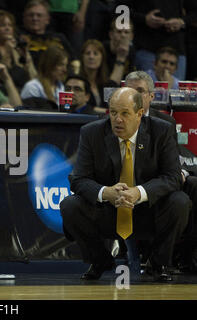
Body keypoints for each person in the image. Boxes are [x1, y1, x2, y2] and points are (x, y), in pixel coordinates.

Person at [60, 87, 190, 282]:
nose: (118, 119)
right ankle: (100, 260)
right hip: (110, 210)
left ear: (139, 114)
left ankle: (158, 263)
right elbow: (78, 179)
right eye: (113, 113)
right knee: (69, 205)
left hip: (148, 209)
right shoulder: (91, 133)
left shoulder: (161, 131)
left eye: (124, 113)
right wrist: (106, 193)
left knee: (180, 201)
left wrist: (139, 192)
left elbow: (172, 176)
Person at [125, 70, 197, 272]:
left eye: (139, 91)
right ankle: (154, 258)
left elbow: (172, 161)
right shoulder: (115, 120)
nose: (133, 96)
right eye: (129, 90)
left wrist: (179, 173)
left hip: (159, 183)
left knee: (191, 187)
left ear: (151, 95)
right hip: (126, 184)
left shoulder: (166, 123)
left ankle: (184, 256)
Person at [115, 0, 197, 81]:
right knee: (146, 92)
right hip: (146, 47)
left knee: (176, 93)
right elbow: (120, 9)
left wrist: (182, 22)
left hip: (176, 50)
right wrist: (144, 19)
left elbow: (194, 12)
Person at [0, 10, 37, 90]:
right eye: (2, 25)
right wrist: (7, 52)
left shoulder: (17, 49)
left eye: (10, 25)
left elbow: (32, 76)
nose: (7, 28)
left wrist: (26, 57)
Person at [18, 0, 75, 67]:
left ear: (47, 20)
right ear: (24, 18)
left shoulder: (59, 38)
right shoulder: (18, 38)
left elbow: (73, 60)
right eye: (31, 15)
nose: (35, 18)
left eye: (39, 15)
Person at [79, 39, 119, 110]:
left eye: (95, 53)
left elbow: (115, 108)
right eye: (88, 53)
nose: (91, 57)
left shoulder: (109, 85)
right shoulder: (77, 83)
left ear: (102, 57)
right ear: (82, 57)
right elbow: (77, 107)